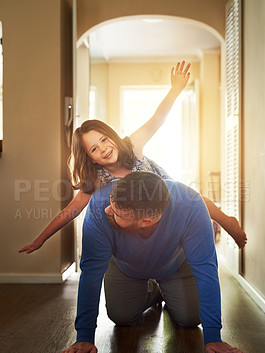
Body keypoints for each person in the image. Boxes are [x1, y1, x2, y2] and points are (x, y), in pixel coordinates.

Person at [18, 61, 247, 255]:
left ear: (113, 136)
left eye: (105, 140)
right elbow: (71, 210)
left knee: (193, 198)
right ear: (92, 159)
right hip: (139, 218)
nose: (104, 149)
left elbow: (158, 118)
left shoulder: (133, 144)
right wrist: (41, 239)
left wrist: (176, 89)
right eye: (94, 149)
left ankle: (228, 222)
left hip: (163, 192)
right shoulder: (97, 177)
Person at [59, 171, 248, 353]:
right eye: (111, 204)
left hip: (174, 265)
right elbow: (91, 272)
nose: (108, 210)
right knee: (121, 317)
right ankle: (154, 292)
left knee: (190, 319)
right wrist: (84, 337)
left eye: (117, 213)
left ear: (146, 221)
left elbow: (206, 270)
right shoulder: (100, 204)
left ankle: (165, 290)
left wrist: (213, 337)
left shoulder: (191, 205)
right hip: (125, 266)